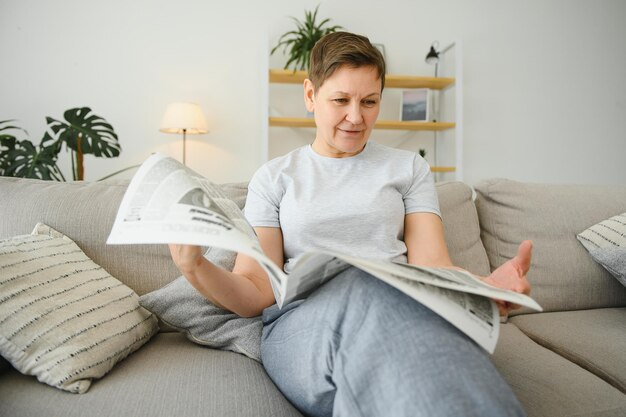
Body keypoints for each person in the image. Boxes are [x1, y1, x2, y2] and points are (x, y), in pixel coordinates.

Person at [169, 31, 531, 417]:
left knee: (413, 336)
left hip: (401, 312)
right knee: (369, 296)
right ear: (310, 95)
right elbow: (256, 292)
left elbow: (432, 268)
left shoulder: (409, 169)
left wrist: (480, 289)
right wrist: (194, 267)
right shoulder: (275, 178)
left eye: (369, 102)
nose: (356, 118)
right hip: (303, 325)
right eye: (340, 100)